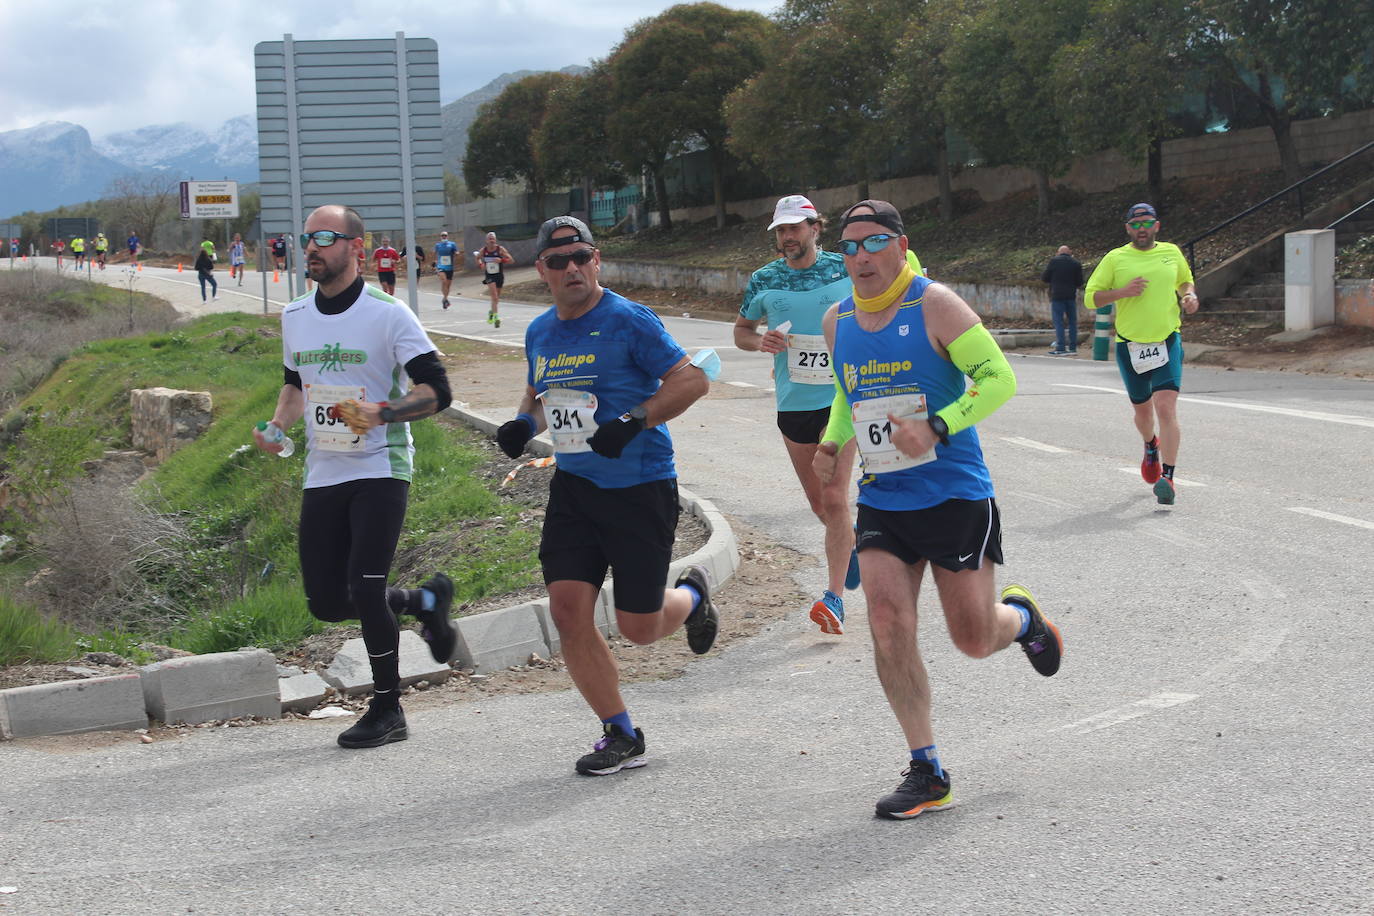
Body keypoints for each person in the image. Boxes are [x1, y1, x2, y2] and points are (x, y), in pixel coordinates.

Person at [813, 200, 1063, 820]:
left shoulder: (936, 305)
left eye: (873, 243)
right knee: (887, 620)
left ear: (901, 245)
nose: (861, 257)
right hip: (884, 499)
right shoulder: (836, 320)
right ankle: (927, 767)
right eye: (848, 247)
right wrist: (832, 438)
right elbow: (851, 394)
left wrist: (939, 426)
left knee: (973, 640)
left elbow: (999, 377)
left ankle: (1022, 621)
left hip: (953, 493)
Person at [493, 215, 716, 777]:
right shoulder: (540, 330)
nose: (572, 269)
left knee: (638, 627)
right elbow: (540, 387)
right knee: (569, 611)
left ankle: (691, 596)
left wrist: (636, 418)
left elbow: (692, 380)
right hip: (575, 488)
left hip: (639, 487)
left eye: (581, 257)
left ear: (597, 261)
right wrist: (524, 421)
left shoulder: (627, 320)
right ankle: (619, 732)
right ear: (541, 270)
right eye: (558, 261)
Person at [253, 204, 456, 749]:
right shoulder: (295, 314)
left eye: (324, 237)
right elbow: (296, 387)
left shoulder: (389, 314)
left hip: (380, 466)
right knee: (325, 600)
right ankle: (423, 603)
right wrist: (276, 425)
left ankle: (388, 709)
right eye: (306, 239)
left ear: (356, 249)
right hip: (323, 471)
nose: (311, 247)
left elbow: (438, 391)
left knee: (366, 585)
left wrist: (383, 413)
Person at [734, 194, 859, 635]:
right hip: (793, 403)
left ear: (815, 229)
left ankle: (834, 597)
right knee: (818, 502)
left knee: (835, 495)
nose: (788, 237)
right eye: (781, 230)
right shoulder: (763, 280)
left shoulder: (845, 267)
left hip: (842, 397)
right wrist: (760, 342)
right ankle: (850, 547)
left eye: (795, 228)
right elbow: (742, 332)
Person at [1084, 203, 1199, 505]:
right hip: (1130, 345)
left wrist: (1189, 294)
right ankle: (1151, 445)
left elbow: (1185, 280)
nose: (1142, 229)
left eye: (1147, 223)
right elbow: (1090, 298)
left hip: (1167, 340)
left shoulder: (1171, 252)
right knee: (1143, 412)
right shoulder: (1115, 258)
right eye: (1136, 225)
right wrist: (1122, 292)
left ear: (1157, 226)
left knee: (1165, 407)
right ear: (1128, 229)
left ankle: (1169, 478)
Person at [1041, 245, 1084, 355]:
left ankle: (1060, 347)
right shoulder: (1076, 263)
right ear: (1070, 252)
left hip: (1057, 296)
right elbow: (1080, 282)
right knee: (1072, 322)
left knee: (1059, 322)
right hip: (1071, 296)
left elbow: (1045, 278)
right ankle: (1073, 347)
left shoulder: (1054, 262)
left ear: (1058, 252)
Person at [475, 231, 513, 328]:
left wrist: (502, 260)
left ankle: (491, 312)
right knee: (494, 296)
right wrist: (481, 264)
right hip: (489, 276)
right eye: (489, 239)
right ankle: (496, 318)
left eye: (493, 239)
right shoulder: (483, 250)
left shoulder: (500, 249)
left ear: (495, 240)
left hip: (499, 275)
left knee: (496, 299)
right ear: (486, 240)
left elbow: (511, 260)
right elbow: (477, 258)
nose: (491, 240)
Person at [433, 230, 459, 310]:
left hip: (449, 267)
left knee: (447, 285)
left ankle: (445, 299)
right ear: (440, 237)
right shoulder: (438, 245)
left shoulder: (452, 244)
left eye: (445, 235)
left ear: (447, 236)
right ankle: (445, 299)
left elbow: (456, 251)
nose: (444, 237)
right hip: (441, 266)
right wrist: (435, 264)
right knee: (444, 281)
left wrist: (457, 253)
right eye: (442, 235)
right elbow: (434, 254)